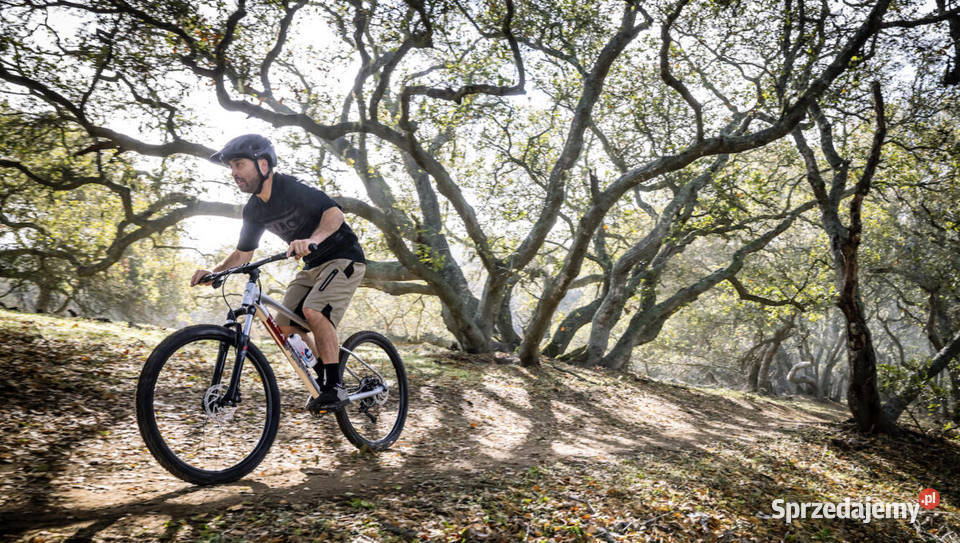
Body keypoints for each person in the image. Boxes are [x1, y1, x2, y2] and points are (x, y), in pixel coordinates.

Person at [190, 134, 366, 411]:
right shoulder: (254, 209)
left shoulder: (292, 188)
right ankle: (324, 372)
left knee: (314, 310)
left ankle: (335, 387)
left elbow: (335, 214)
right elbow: (243, 254)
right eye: (231, 167)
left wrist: (313, 239)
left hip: (344, 257)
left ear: (263, 164)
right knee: (283, 326)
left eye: (239, 164)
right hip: (312, 266)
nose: (234, 173)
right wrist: (215, 271)